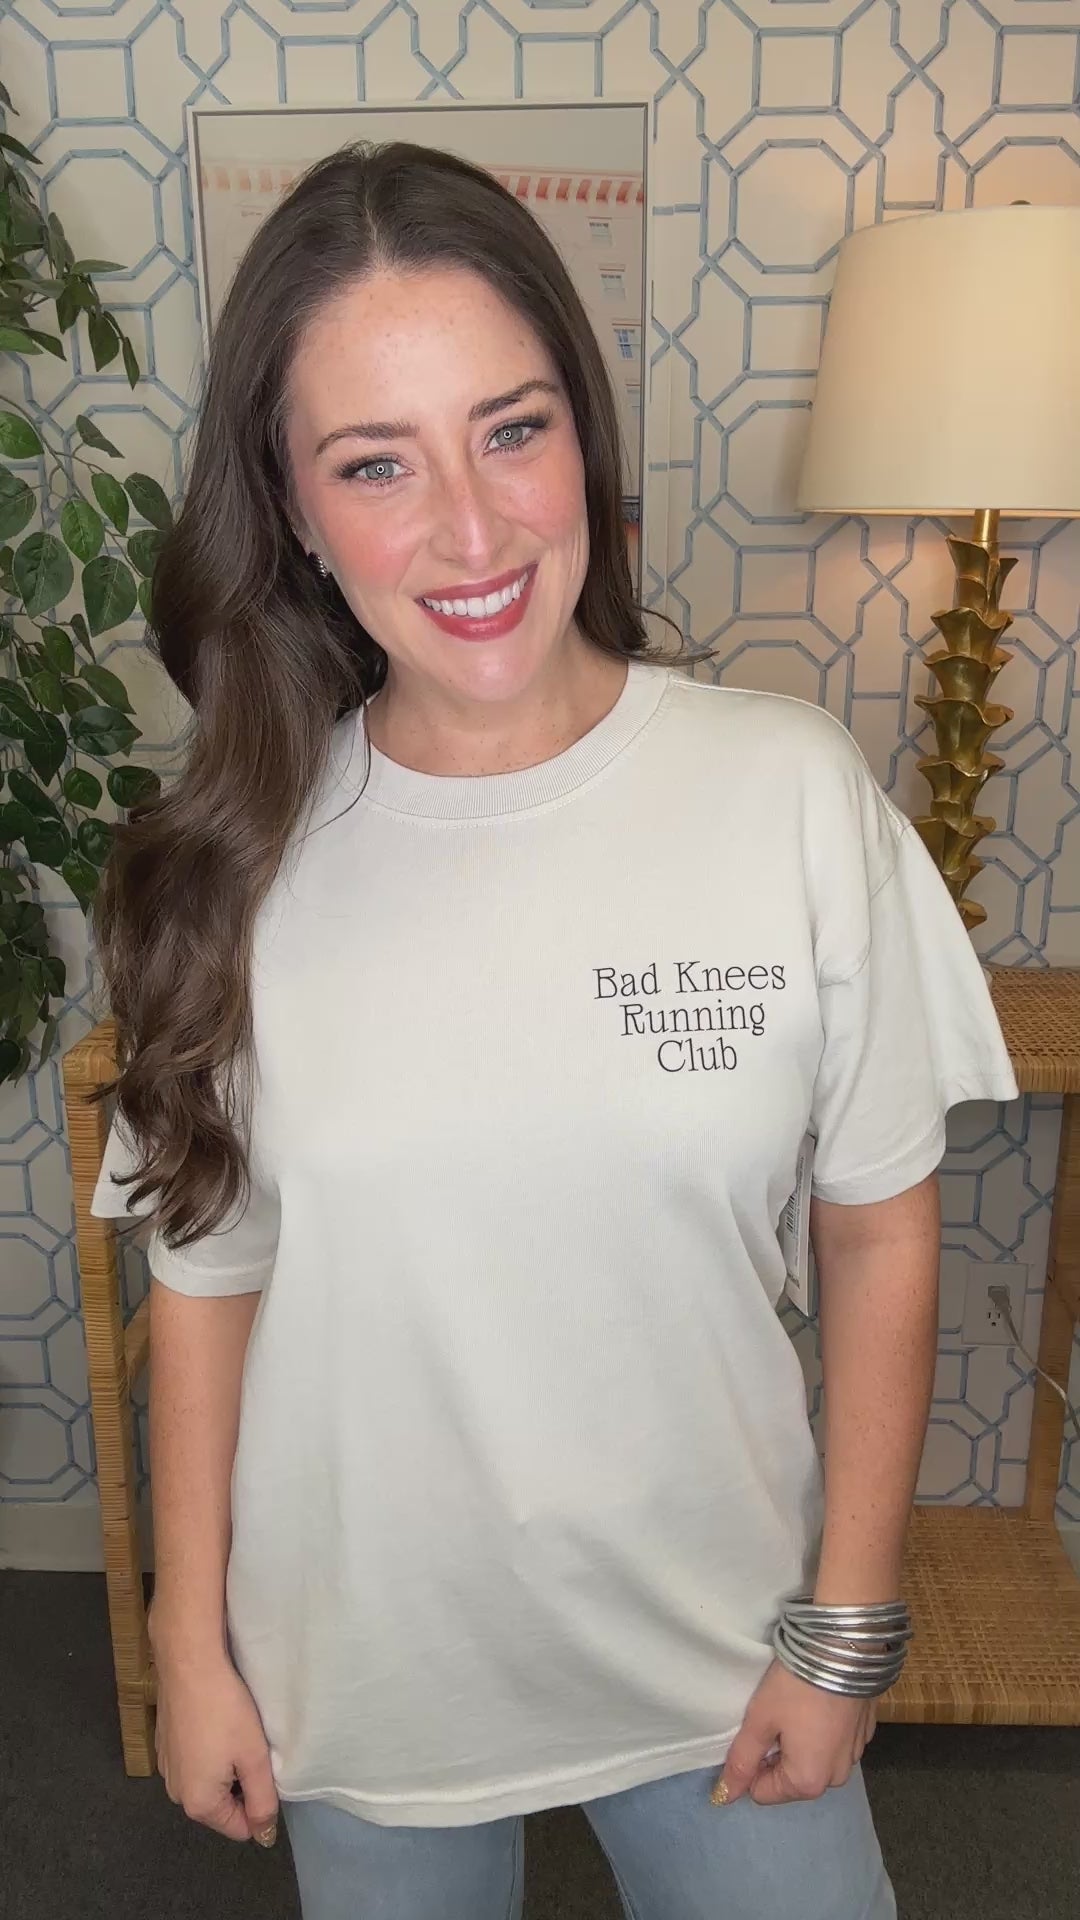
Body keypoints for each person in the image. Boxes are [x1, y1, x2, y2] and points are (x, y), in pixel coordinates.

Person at [90, 143, 1017, 1920]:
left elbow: (879, 1225)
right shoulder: (232, 865)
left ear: (582, 435)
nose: (471, 530)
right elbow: (208, 1285)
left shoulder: (788, 795)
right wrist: (187, 1646)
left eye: (510, 431)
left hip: (724, 1654)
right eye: (376, 463)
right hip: (371, 1671)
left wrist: (847, 1626)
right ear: (291, 509)